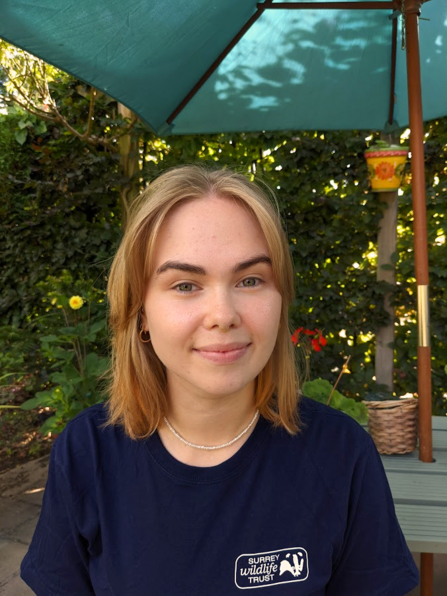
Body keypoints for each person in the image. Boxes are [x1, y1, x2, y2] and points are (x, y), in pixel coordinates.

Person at [21, 165, 419, 595]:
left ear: (280, 298)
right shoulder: (86, 454)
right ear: (140, 313)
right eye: (186, 285)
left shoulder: (341, 455)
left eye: (250, 280)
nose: (223, 315)